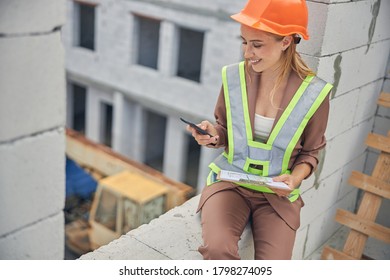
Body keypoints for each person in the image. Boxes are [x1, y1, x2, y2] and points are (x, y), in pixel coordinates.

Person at [185, 0, 333, 260]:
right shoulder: (233, 77)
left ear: (285, 41)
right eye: (244, 42)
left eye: (257, 44)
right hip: (231, 183)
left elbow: (311, 152)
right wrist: (213, 135)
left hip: (276, 196)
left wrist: (294, 179)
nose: (246, 53)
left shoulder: (314, 94)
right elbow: (225, 130)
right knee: (218, 250)